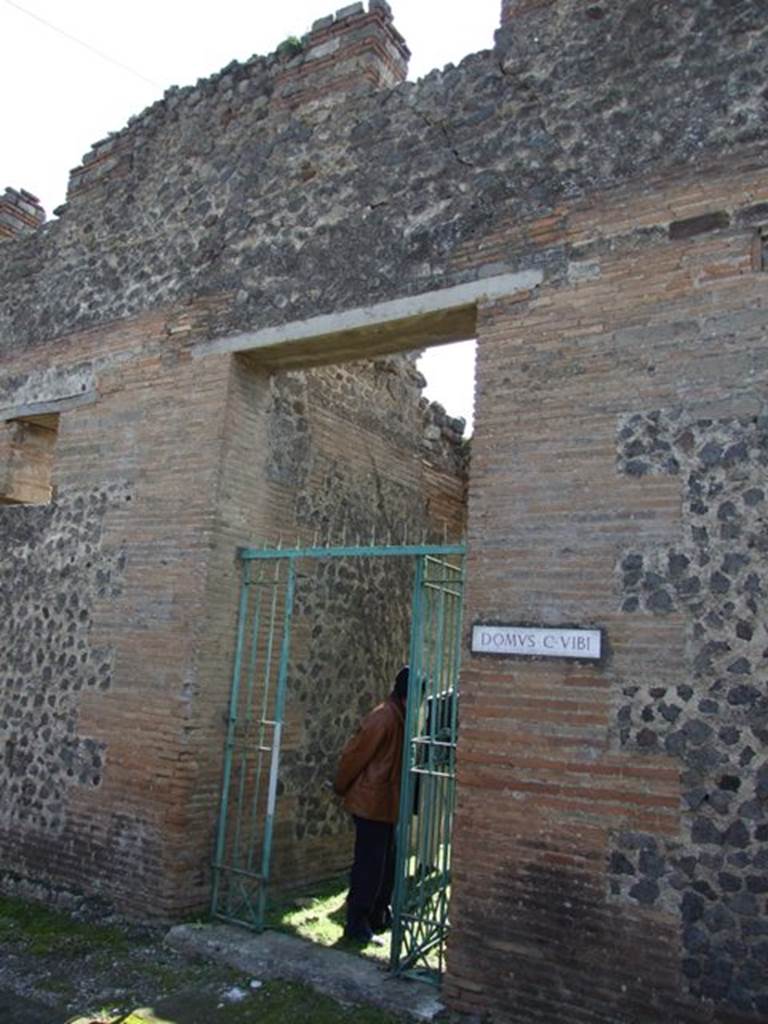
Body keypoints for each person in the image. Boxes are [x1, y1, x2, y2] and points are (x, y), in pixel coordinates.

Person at [333, 665, 409, 943]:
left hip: (386, 804)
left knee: (386, 862)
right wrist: (341, 785)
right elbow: (355, 754)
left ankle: (378, 913)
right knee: (370, 864)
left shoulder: (399, 716)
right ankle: (356, 922)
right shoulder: (383, 718)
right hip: (370, 802)